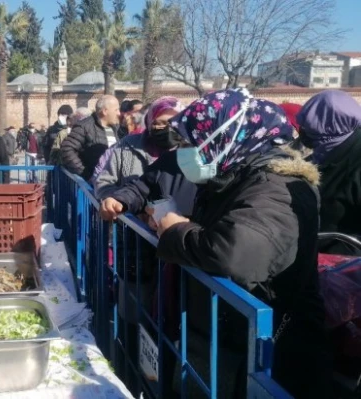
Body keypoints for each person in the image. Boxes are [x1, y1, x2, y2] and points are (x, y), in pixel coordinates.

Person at [155, 88, 329, 399]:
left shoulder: (278, 188)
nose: (184, 151)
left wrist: (175, 232)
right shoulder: (237, 175)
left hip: (270, 354)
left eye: (192, 143)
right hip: (232, 339)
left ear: (228, 137)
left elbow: (233, 255)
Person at [97, 96, 190, 217]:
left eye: (172, 122)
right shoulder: (126, 146)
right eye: (159, 123)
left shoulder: (189, 152)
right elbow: (104, 183)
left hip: (172, 228)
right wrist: (118, 202)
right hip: (130, 227)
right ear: (150, 122)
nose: (168, 128)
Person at [297, 90, 361, 255]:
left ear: (330, 123)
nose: (302, 131)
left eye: (310, 124)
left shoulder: (355, 162)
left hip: (344, 267)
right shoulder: (322, 155)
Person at [60, 94, 120, 181]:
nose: (119, 113)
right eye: (116, 110)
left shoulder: (116, 128)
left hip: (112, 182)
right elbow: (66, 148)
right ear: (105, 111)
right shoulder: (84, 126)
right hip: (93, 185)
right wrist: (85, 173)